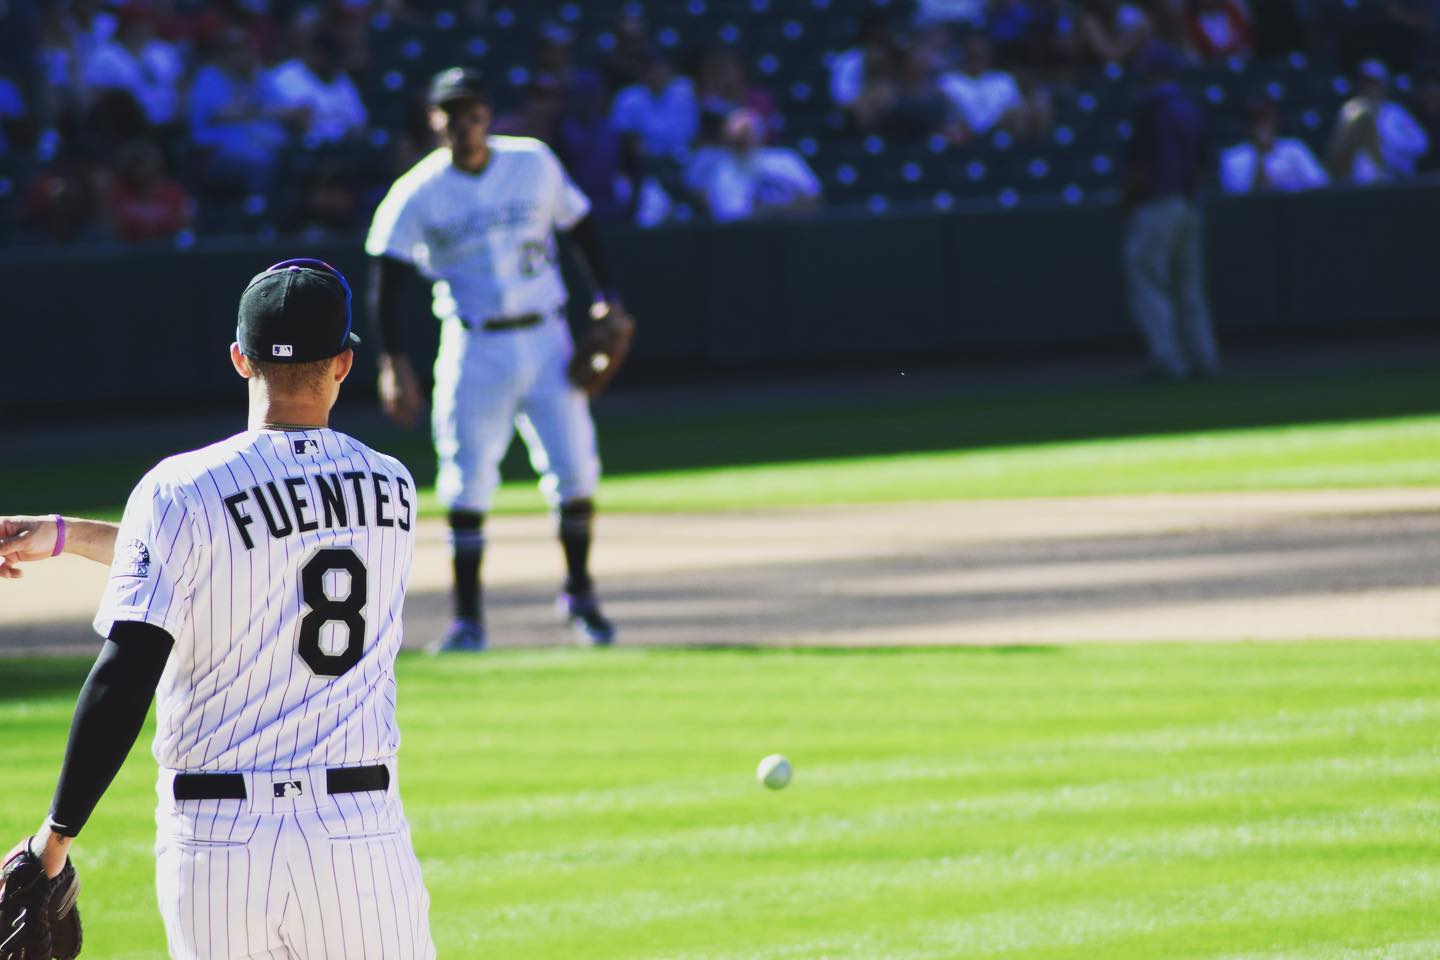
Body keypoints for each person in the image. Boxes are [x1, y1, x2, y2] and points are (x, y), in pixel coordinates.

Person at [0, 259, 434, 959]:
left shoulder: (180, 491)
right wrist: (67, 534)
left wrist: (56, 834)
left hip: (219, 844)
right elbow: (262, 557)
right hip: (360, 833)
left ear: (240, 358)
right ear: (345, 363)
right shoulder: (394, 490)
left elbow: (129, 666)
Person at [366, 67, 626, 651]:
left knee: (576, 470)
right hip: (472, 343)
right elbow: (387, 278)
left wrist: (609, 297)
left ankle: (582, 597)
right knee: (465, 480)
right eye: (451, 112)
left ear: (489, 114)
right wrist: (394, 361)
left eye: (473, 110)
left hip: (547, 339)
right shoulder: (418, 190)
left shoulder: (532, 161)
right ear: (434, 120)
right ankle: (467, 620)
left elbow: (581, 226)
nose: (464, 122)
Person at [1121, 43, 1218, 381]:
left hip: (1157, 202)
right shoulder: (1190, 106)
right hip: (1190, 203)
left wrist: (1128, 199)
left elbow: (1140, 165)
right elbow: (1205, 161)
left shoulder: (1150, 108)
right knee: (1188, 283)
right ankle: (1203, 356)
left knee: (1148, 276)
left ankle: (1167, 357)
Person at [685, 108, 821, 222]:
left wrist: (777, 210)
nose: (743, 140)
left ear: (759, 134)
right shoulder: (722, 171)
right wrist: (770, 212)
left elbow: (814, 198)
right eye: (737, 138)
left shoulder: (785, 159)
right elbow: (732, 219)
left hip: (795, 233)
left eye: (747, 133)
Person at [1326, 59, 1429, 184]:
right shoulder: (1351, 110)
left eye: (1374, 84)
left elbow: (1421, 143)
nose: (1369, 88)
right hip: (1359, 183)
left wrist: (1389, 145)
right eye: (1365, 83)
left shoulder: (1395, 111)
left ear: (1384, 86)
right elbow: (1338, 153)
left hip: (1400, 179)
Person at [1219, 98, 1328, 194]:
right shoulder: (1232, 158)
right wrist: (1260, 155)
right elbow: (1238, 202)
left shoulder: (1295, 148)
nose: (1264, 126)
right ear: (1248, 126)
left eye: (1268, 119)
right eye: (1258, 121)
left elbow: (1321, 184)